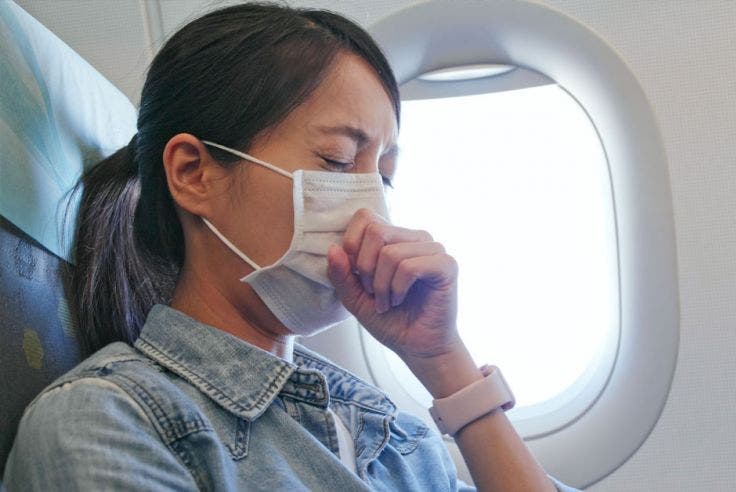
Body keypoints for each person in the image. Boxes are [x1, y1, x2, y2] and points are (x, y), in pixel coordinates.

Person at [2, 3, 574, 491]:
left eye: (385, 177)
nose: (370, 207)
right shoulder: (106, 421)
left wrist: (446, 365)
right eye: (337, 162)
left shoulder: (398, 436)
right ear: (194, 174)